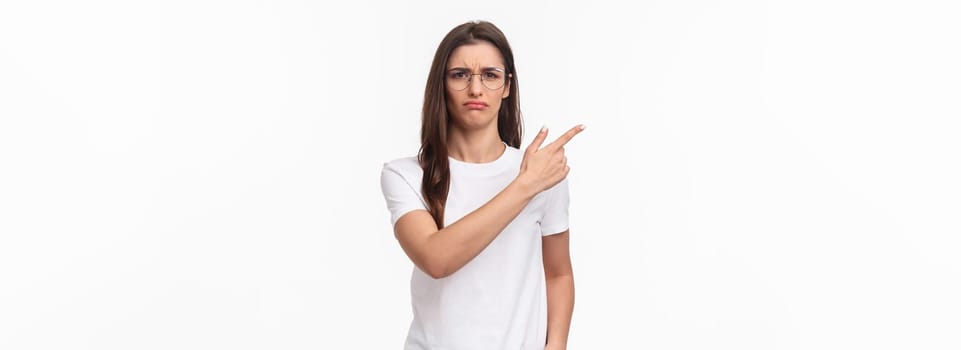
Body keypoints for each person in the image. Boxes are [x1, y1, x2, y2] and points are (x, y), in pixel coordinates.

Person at [380, 20, 584, 350]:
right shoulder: (404, 175)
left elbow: (558, 273)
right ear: (441, 83)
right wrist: (525, 186)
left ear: (506, 86)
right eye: (460, 75)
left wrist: (556, 345)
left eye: (490, 75)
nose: (476, 89)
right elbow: (436, 259)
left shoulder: (541, 173)